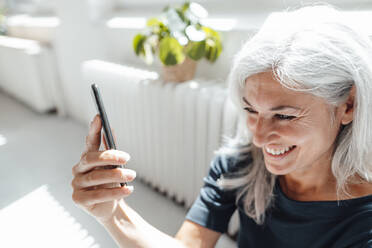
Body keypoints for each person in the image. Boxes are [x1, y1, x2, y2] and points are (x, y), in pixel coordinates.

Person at [71, 4, 372, 248]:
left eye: (284, 115)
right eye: (251, 110)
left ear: (348, 105)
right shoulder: (240, 164)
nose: (259, 136)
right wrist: (112, 214)